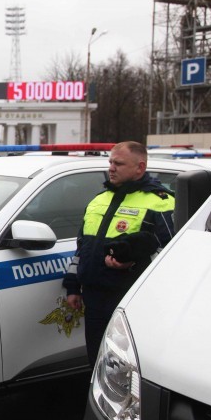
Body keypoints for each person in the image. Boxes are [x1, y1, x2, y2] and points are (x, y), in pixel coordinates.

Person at [62, 141, 175, 363]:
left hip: (132, 298)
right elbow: (81, 248)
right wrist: (73, 286)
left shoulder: (160, 202)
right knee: (97, 361)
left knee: (127, 364)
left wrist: (132, 264)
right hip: (94, 297)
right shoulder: (98, 200)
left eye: (119, 163)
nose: (111, 168)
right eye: (111, 162)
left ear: (140, 167)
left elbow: (171, 255)